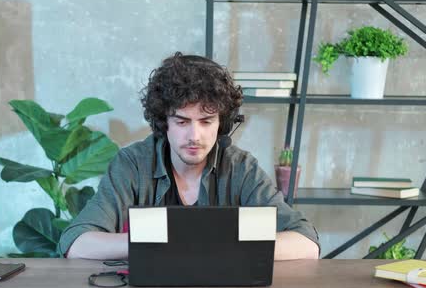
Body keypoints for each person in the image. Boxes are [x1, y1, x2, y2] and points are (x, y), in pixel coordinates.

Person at [58, 52, 320, 260]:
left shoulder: (240, 167)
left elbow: (307, 242)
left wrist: (216, 247)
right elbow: (76, 242)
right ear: (164, 123)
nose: (194, 135)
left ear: (222, 124)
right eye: (182, 122)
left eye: (206, 122)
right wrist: (164, 244)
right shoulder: (133, 163)